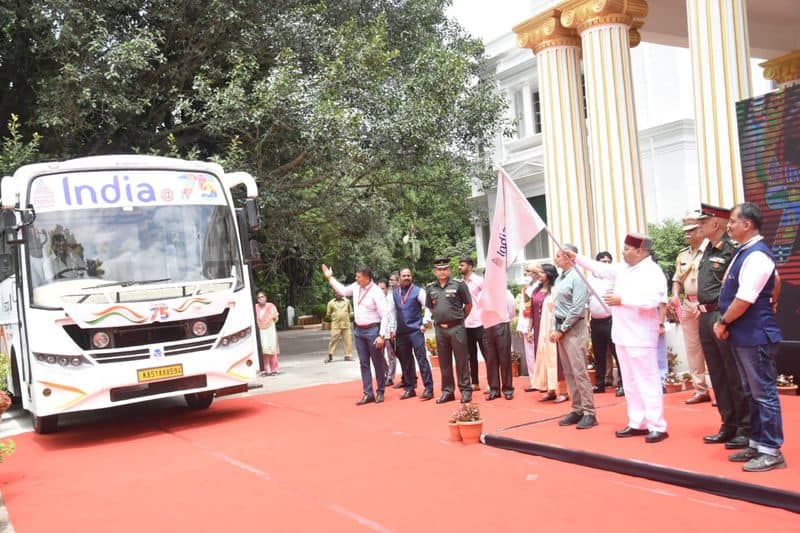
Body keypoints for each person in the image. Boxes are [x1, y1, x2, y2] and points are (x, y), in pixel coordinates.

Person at [569, 233, 669, 443]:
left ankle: (657, 425)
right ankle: (637, 422)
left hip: (641, 334)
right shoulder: (623, 268)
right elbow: (601, 269)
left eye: (627, 249)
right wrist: (576, 257)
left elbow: (653, 300)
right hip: (622, 333)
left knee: (647, 380)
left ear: (641, 251)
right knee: (631, 381)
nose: (623, 253)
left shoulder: (652, 272)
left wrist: (623, 300)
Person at [715, 202, 786, 472]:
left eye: (733, 221)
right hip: (744, 334)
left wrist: (723, 321)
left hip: (755, 334)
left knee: (763, 393)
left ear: (747, 224)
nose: (729, 226)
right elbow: (776, 281)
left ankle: (772, 450)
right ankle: (757, 444)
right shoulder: (745, 251)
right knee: (752, 392)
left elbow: (744, 298)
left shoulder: (757, 255)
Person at [695, 204, 750, 449]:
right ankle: (728, 424)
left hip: (721, 314)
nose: (699, 227)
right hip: (705, 314)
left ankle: (744, 427)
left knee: (732, 373)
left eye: (702, 222)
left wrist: (726, 318)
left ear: (715, 223)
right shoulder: (707, 249)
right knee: (716, 373)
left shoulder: (731, 249)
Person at [322, 264, 390, 405]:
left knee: (377, 362)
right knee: (364, 363)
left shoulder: (376, 292)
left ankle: (380, 391)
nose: (356, 278)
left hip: (373, 330)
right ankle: (368, 393)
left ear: (366, 277)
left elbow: (385, 315)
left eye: (358, 276)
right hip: (359, 331)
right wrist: (330, 278)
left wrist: (381, 335)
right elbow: (343, 290)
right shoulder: (356, 286)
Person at [551, 245, 596, 429]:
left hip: (573, 328)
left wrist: (562, 329)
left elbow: (577, 308)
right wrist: (556, 328)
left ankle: (589, 412)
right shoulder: (561, 278)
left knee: (580, 372)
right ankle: (577, 409)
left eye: (559, 255)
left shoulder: (577, 278)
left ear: (569, 257)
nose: (556, 259)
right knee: (569, 372)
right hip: (561, 327)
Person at [670, 217, 711, 403]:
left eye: (692, 229)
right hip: (688, 303)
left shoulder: (711, 251)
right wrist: (675, 295)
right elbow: (677, 279)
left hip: (708, 305)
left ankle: (721, 390)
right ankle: (700, 389)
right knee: (693, 348)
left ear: (701, 230)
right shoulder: (683, 255)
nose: (688, 233)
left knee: (714, 348)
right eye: (686, 230)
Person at [426, 257, 473, 404]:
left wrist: (459, 319)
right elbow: (431, 308)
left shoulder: (459, 285)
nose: (442, 271)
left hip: (457, 327)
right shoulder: (430, 288)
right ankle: (448, 391)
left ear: (450, 270)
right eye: (439, 269)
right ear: (434, 272)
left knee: (461, 361)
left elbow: (468, 305)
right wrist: (441, 317)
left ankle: (465, 390)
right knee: (444, 363)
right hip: (440, 329)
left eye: (445, 268)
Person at [392, 267, 435, 400]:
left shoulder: (418, 291)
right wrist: (392, 328)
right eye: (404, 276)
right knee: (405, 361)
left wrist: (425, 322)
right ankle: (410, 388)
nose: (406, 278)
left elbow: (428, 307)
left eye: (408, 275)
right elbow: (392, 312)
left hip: (415, 330)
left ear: (412, 277)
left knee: (421, 359)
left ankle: (429, 388)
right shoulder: (394, 293)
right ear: (399, 278)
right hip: (401, 332)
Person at [587, 252, 621, 395]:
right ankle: (600, 383)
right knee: (598, 354)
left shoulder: (615, 278)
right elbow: (586, 302)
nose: (606, 264)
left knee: (617, 353)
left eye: (608, 261)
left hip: (612, 320)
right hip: (595, 321)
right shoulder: (589, 279)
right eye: (602, 261)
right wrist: (587, 320)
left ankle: (622, 384)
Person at [531, 264, 561, 401]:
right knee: (542, 356)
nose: (540, 275)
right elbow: (531, 309)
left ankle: (562, 391)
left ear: (549, 274)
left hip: (551, 326)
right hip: (539, 327)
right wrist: (530, 328)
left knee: (554, 356)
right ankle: (549, 389)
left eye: (542, 272)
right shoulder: (536, 289)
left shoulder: (555, 289)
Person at [482, 288, 516, 401]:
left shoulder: (505, 292)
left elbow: (511, 310)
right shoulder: (483, 294)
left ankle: (508, 389)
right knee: (490, 360)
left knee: (504, 358)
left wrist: (505, 320)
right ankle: (494, 390)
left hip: (502, 324)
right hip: (487, 326)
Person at [458, 257, 485, 392]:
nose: (459, 267)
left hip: (480, 321)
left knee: (487, 354)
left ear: (470, 266)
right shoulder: (460, 283)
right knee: (471, 355)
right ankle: (475, 382)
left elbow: (487, 298)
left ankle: (493, 382)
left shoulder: (479, 281)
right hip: (466, 323)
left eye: (462, 265)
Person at [521, 262, 543, 392]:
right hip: (527, 322)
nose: (526, 274)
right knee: (529, 354)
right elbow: (524, 307)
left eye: (528, 271)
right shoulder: (527, 286)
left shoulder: (539, 286)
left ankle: (539, 381)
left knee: (537, 353)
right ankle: (534, 380)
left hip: (537, 322)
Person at [378, 276, 400, 387]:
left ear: (387, 288)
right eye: (379, 289)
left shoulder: (392, 298)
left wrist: (394, 329)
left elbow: (394, 315)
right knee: (379, 355)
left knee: (391, 355)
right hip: (380, 331)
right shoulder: (377, 299)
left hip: (390, 330)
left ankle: (390, 377)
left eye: (382, 289)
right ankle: (386, 373)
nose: (381, 291)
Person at [255, 291, 280, 376]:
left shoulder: (271, 306)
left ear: (265, 297)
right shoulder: (255, 307)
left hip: (270, 330)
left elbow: (276, 318)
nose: (261, 299)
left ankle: (274, 369)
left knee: (272, 349)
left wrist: (272, 318)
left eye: (262, 297)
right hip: (260, 330)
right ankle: (265, 369)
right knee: (263, 349)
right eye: (259, 297)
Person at [325, 293, 354, 363]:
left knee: (348, 340)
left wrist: (352, 316)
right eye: (336, 293)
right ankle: (330, 355)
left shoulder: (347, 301)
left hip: (346, 324)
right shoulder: (331, 303)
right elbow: (328, 314)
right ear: (334, 294)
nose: (337, 294)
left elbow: (351, 311)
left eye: (339, 293)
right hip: (336, 325)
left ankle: (348, 355)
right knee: (333, 340)